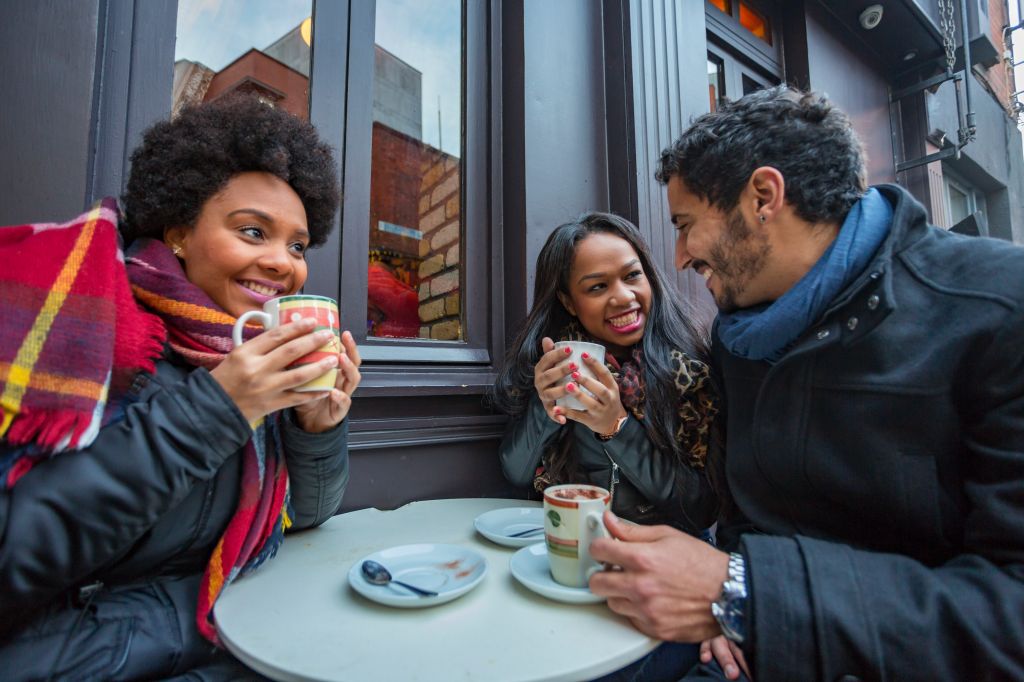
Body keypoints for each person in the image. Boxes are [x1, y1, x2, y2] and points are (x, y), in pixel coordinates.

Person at [588, 84, 1024, 681]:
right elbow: (744, 513)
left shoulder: (999, 307)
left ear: (764, 196)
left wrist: (748, 595)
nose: (681, 255)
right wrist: (735, 610)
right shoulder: (735, 340)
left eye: (686, 225)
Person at [0, 96, 361, 680]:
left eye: (297, 246)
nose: (282, 263)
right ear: (177, 234)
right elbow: (16, 552)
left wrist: (316, 429)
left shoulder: (244, 357)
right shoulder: (85, 338)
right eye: (252, 231)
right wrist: (219, 409)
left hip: (233, 642)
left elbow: (307, 516)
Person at [493, 211, 721, 536]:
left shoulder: (692, 367)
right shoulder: (560, 362)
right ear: (569, 302)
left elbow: (701, 507)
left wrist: (615, 426)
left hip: (661, 558)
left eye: (631, 277)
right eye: (598, 286)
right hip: (572, 544)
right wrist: (545, 408)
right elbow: (516, 473)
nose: (623, 297)